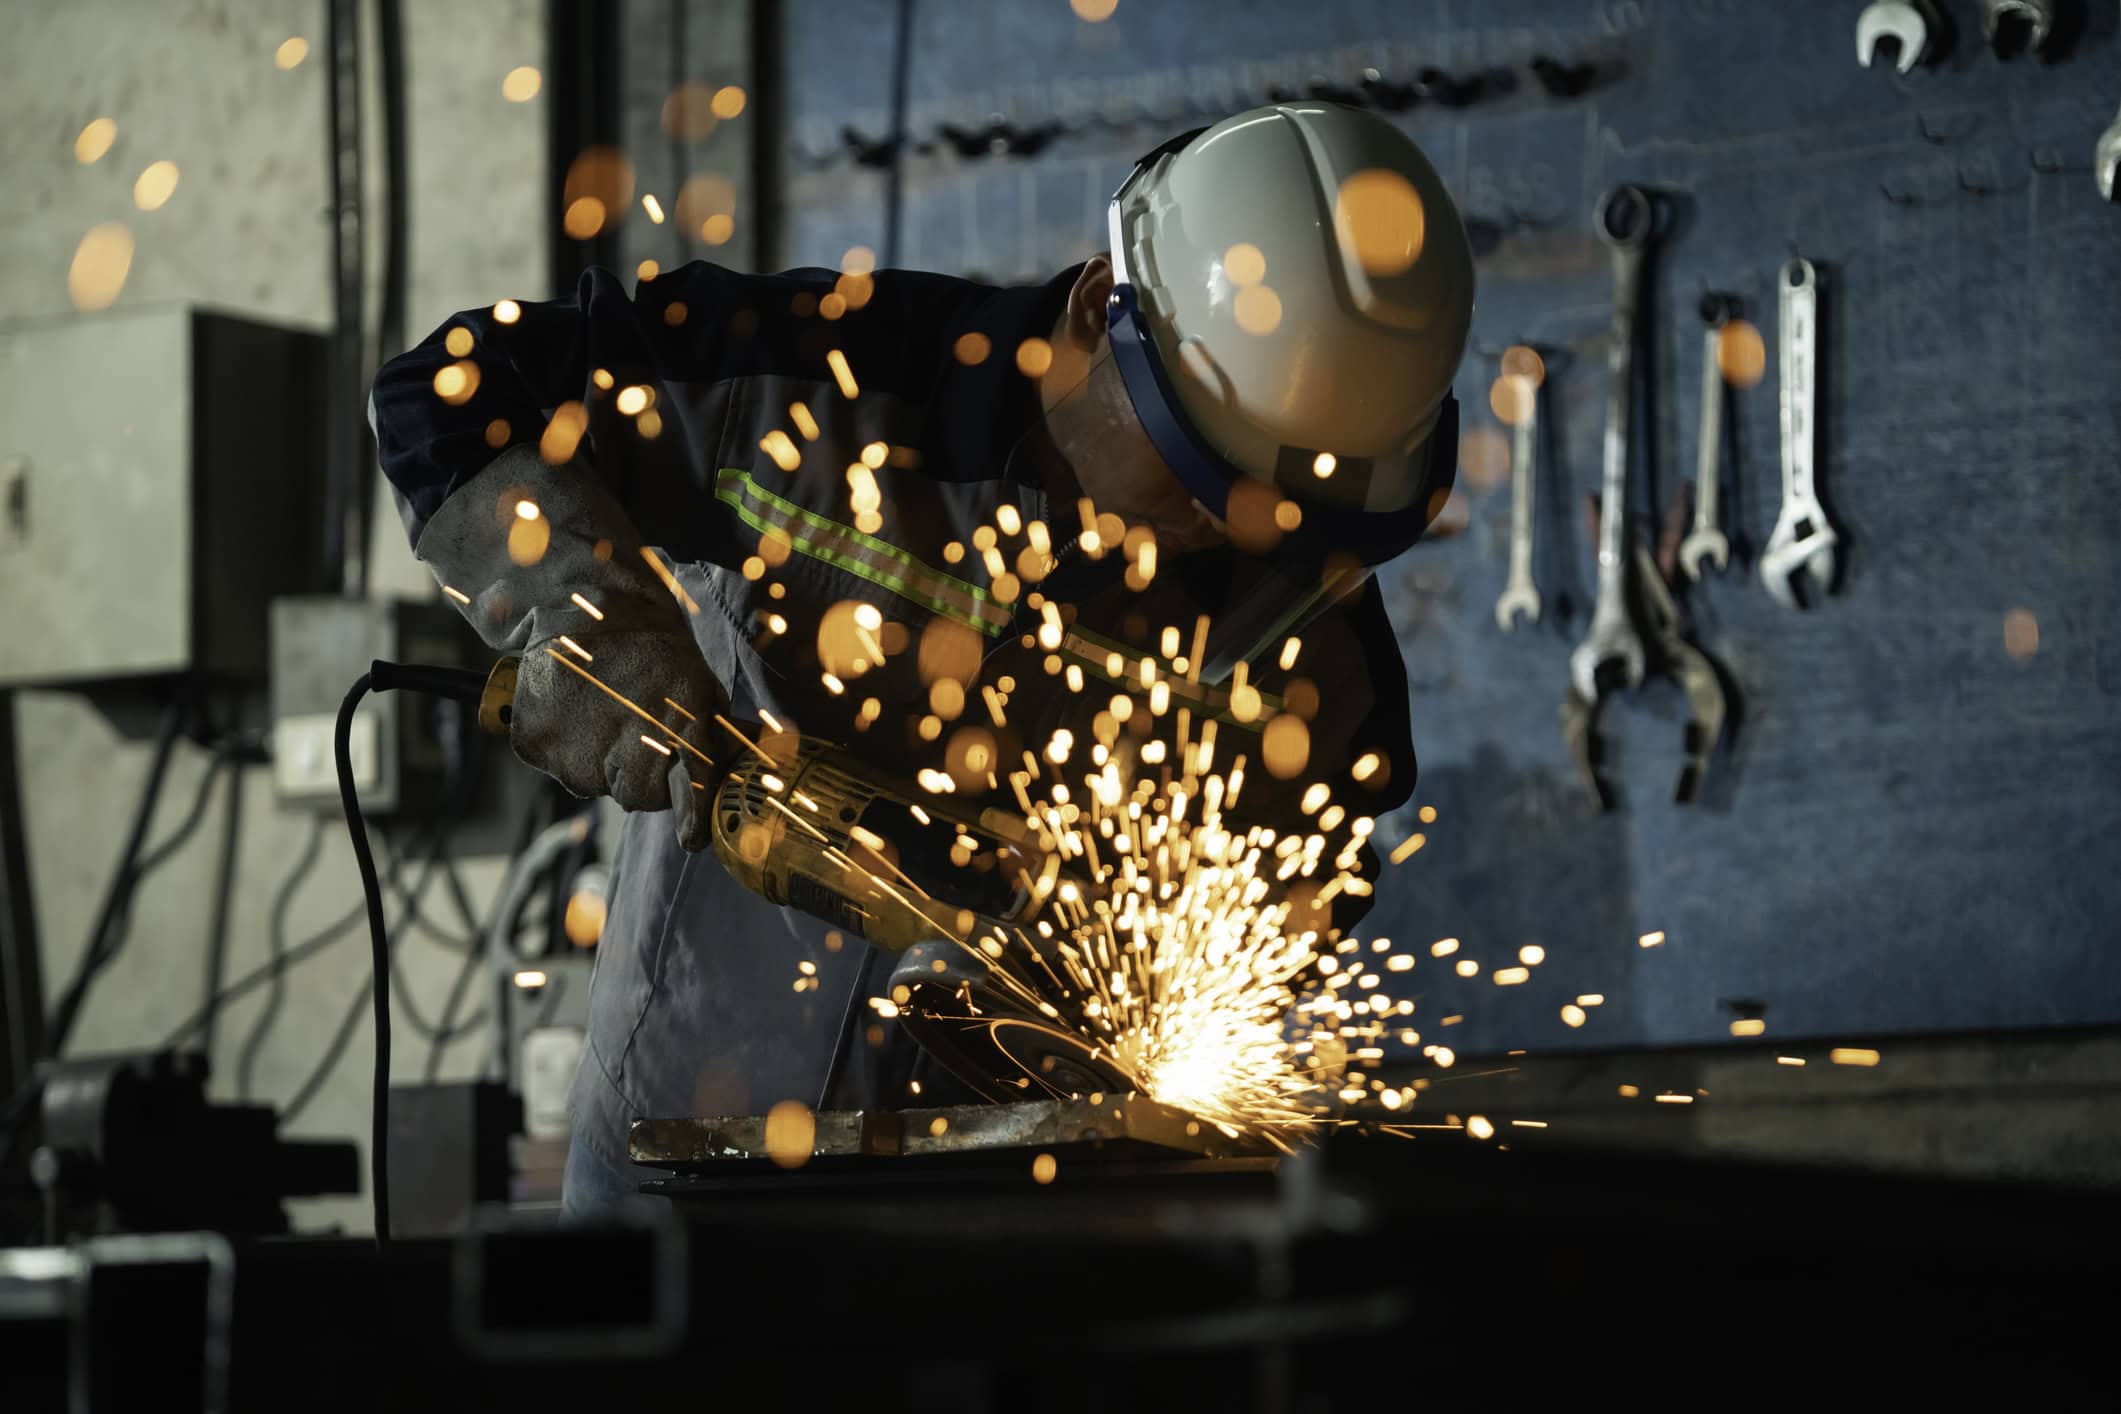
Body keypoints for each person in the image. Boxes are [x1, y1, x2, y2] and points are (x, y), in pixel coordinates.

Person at [370, 102, 1474, 1216]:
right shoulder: (823, 379)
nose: (1225, 529)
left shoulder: (1304, 634)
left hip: (1009, 1202)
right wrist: (583, 605)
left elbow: (1303, 879)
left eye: (1277, 514)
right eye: (1197, 471)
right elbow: (450, 396)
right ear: (1102, 309)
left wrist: (1096, 981)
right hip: (676, 1141)